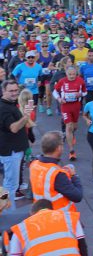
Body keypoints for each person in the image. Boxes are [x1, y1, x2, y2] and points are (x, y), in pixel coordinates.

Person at [8, 199, 87, 256]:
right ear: (52, 209)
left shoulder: (20, 229)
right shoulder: (69, 218)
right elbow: (83, 247)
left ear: (31, 213)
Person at [0, 80, 33, 211]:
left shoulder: (10, 104)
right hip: (11, 151)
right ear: (3, 91)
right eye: (11, 91)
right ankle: (7, 212)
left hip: (13, 150)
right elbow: (13, 128)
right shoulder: (3, 108)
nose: (14, 93)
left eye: (15, 90)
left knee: (10, 183)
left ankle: (6, 210)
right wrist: (25, 117)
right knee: (10, 185)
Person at [30, 131, 83, 213]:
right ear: (58, 148)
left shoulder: (34, 164)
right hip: (58, 218)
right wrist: (74, 176)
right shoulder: (58, 174)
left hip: (40, 215)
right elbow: (77, 196)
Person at [53, 66, 87, 161]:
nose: (72, 76)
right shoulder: (62, 81)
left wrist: (80, 94)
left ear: (76, 74)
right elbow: (55, 91)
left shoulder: (80, 81)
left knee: (74, 126)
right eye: (69, 74)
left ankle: (72, 135)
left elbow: (85, 92)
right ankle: (72, 151)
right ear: (66, 74)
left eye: (73, 74)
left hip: (76, 106)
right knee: (68, 126)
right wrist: (59, 99)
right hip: (65, 106)